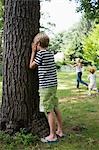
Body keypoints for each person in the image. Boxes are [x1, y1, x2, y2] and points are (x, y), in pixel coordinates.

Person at [29, 32, 64, 143]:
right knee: (54, 107)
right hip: (53, 85)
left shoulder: (40, 54)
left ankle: (52, 135)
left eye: (34, 43)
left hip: (46, 86)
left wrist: (33, 52)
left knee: (49, 110)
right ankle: (60, 130)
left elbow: (31, 66)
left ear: (38, 43)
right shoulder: (50, 53)